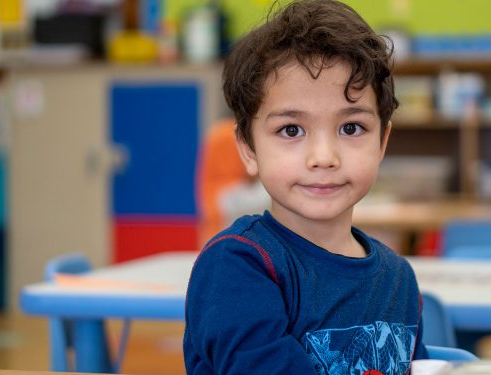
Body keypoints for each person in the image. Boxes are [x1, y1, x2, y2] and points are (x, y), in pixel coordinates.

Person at [183, 1, 428, 373]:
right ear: (248, 149)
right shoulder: (238, 265)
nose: (324, 156)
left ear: (382, 142)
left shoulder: (399, 279)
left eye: (351, 128)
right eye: (291, 130)